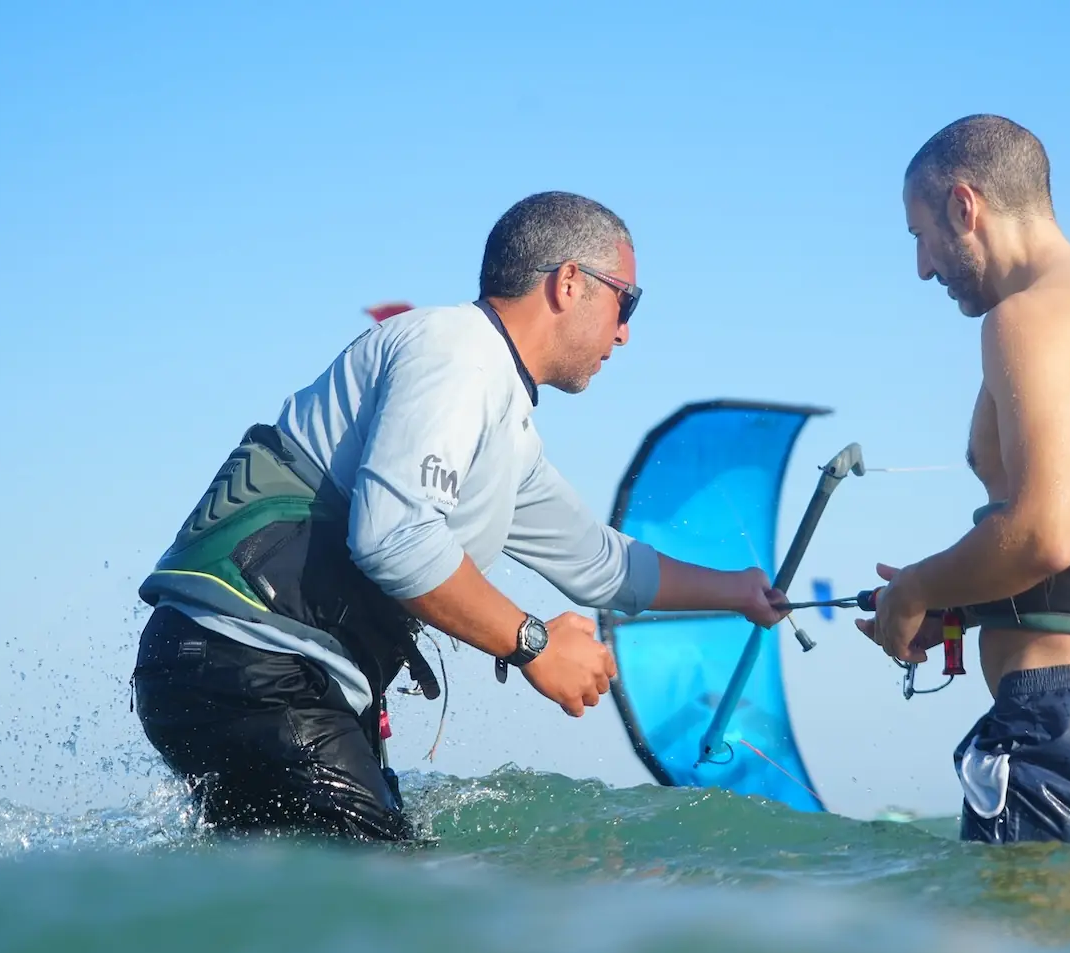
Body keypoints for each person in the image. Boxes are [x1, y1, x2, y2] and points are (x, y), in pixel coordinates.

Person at [133, 191, 786, 842]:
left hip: (264, 674)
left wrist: (741, 592)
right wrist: (534, 643)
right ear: (569, 283)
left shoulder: (503, 419)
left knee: (333, 909)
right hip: (249, 665)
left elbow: (599, 563)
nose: (625, 331)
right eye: (626, 301)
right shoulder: (455, 352)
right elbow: (394, 537)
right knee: (383, 899)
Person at [856, 115, 1070, 853]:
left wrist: (916, 588)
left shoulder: (1028, 317)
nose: (921, 268)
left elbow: (1047, 532)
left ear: (963, 208)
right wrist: (955, 604)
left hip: (1059, 725)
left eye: (919, 236)